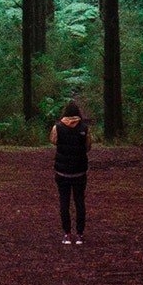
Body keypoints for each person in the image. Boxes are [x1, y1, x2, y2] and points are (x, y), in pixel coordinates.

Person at [50, 100, 90, 244]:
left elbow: (53, 141)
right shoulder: (84, 128)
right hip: (79, 170)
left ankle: (67, 234)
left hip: (62, 171)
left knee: (64, 202)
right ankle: (80, 234)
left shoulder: (57, 127)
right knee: (79, 202)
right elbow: (88, 147)